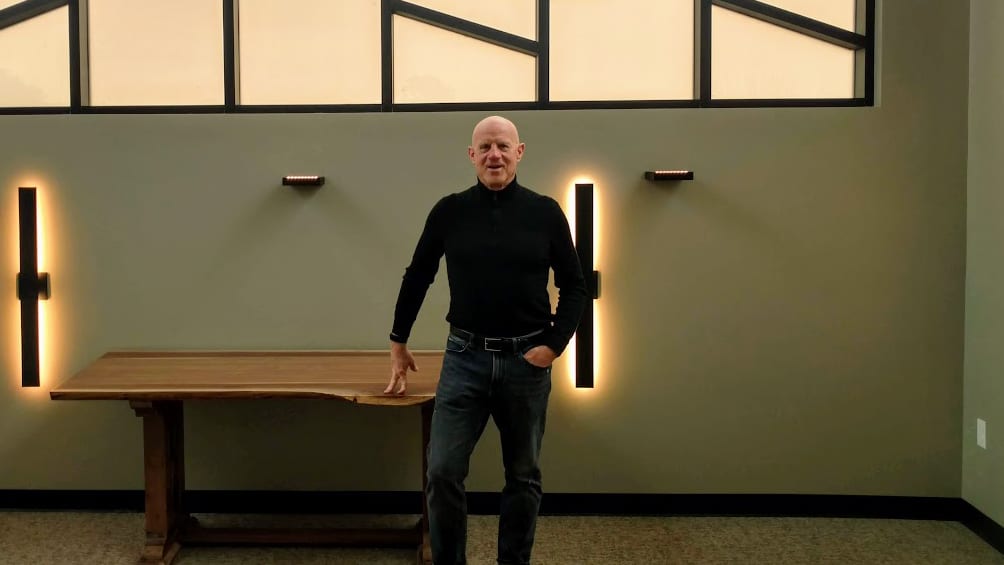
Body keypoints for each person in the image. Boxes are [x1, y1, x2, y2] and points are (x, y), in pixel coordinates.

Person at [385, 115, 588, 565]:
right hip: (465, 359)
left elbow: (575, 285)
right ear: (471, 155)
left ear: (519, 152)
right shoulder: (449, 211)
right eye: (485, 147)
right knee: (442, 472)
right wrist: (398, 339)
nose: (494, 155)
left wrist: (554, 345)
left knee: (523, 477)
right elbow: (418, 275)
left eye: (503, 146)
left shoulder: (545, 212)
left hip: (526, 363)